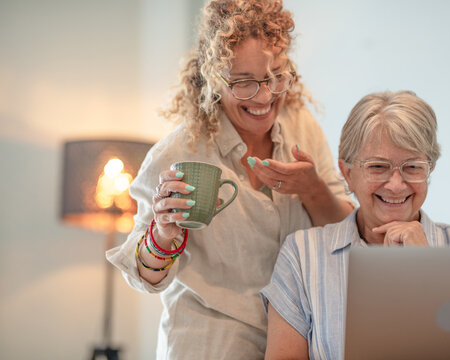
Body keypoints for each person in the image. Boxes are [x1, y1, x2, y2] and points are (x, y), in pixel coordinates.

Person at [106, 0, 354, 358]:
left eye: (276, 76)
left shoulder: (302, 125)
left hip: (295, 341)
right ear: (213, 76)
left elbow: (344, 237)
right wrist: (163, 234)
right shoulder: (178, 153)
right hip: (209, 343)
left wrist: (312, 189)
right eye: (244, 83)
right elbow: (141, 277)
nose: (265, 96)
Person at [261, 90, 450, 359]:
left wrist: (429, 271)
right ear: (347, 174)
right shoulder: (302, 255)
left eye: (413, 167)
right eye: (378, 167)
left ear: (429, 170)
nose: (396, 185)